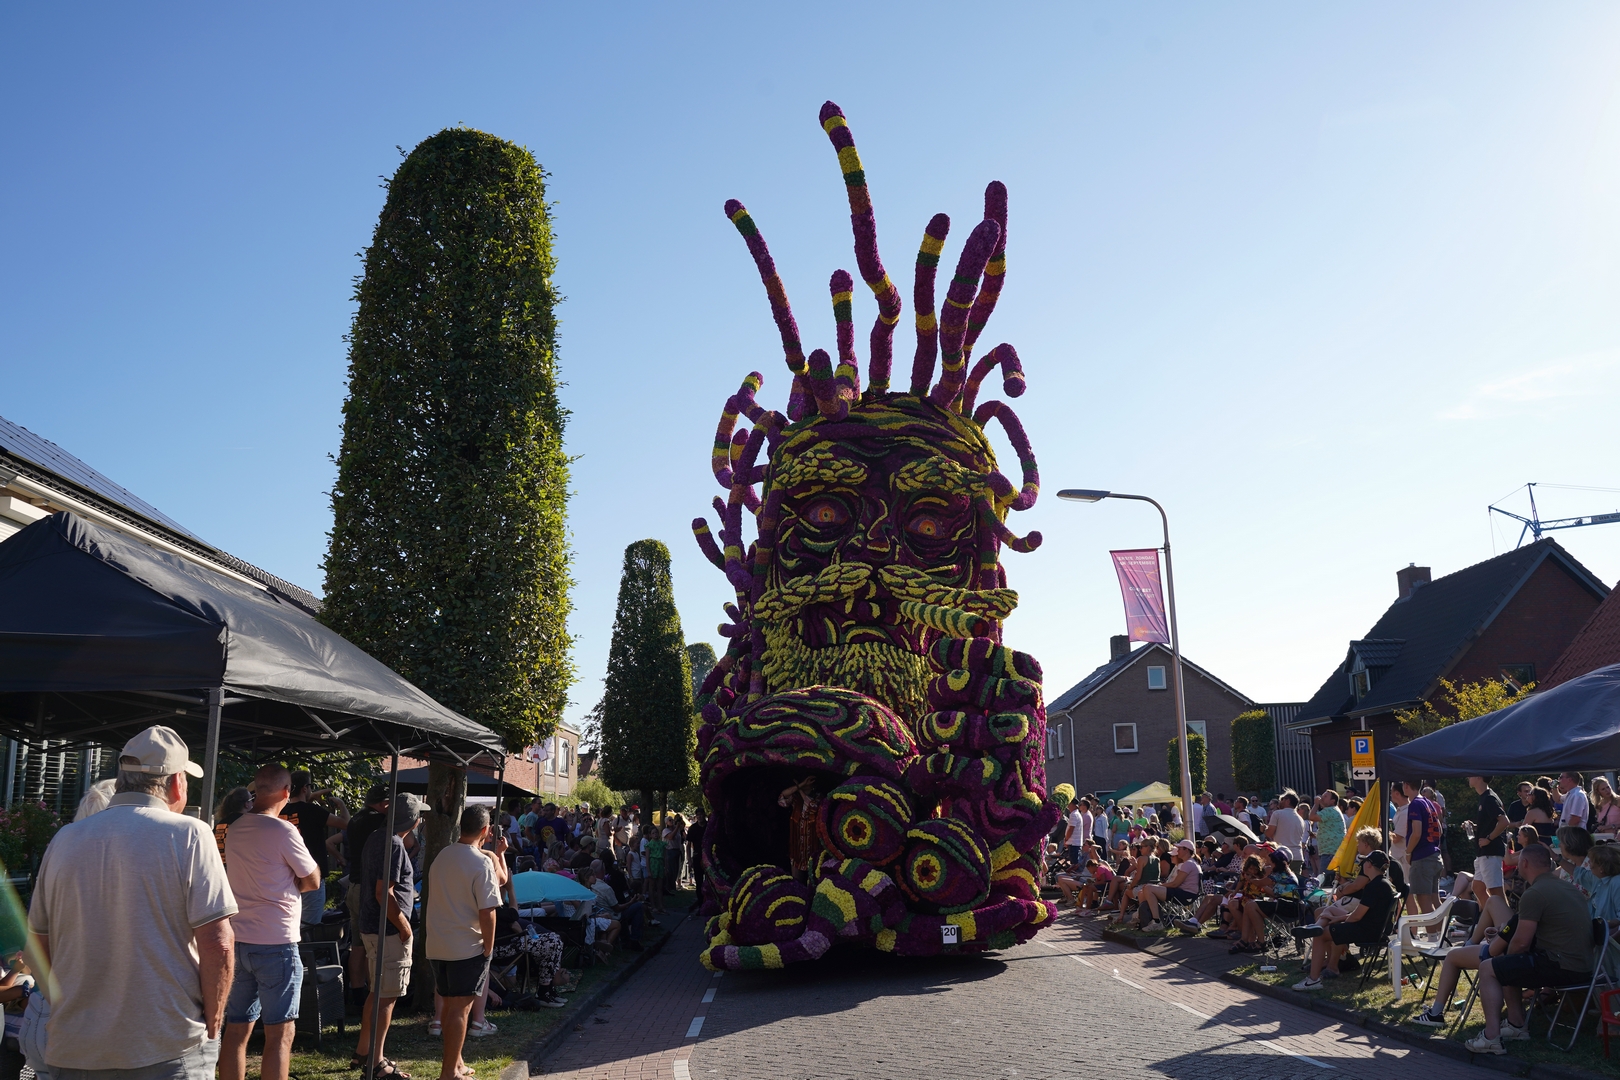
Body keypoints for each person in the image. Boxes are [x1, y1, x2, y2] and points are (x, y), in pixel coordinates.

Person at [29, 725, 236, 1078]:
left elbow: (36, 942)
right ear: (177, 783)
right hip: (165, 1044)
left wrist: (66, 1007)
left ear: (122, 779)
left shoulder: (65, 838)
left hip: (75, 1049)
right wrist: (214, 1019)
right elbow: (219, 941)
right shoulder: (189, 833)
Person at [220, 765, 321, 1080]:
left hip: (239, 939)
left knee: (237, 1029)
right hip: (276, 941)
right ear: (287, 792)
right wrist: (291, 882)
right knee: (280, 1033)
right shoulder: (283, 830)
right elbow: (313, 879)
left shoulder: (235, 827)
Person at [1467, 843, 1595, 1054]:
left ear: (1525, 863)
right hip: (1584, 967)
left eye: (1519, 863)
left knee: (1490, 967)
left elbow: (1521, 943)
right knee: (1507, 963)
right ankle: (1516, 1025)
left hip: (1562, 967)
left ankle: (1491, 1037)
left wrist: (1504, 957)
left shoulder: (1535, 893)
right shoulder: (1568, 888)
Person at [351, 792, 425, 1079]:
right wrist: (404, 927)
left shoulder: (376, 837)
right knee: (387, 998)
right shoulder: (393, 843)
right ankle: (377, 1063)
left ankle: (364, 1052)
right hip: (388, 930)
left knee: (377, 992)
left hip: (373, 927)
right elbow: (384, 892)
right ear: (413, 820)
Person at [426, 806, 501, 1080]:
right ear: (485, 830)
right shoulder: (481, 862)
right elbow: (488, 911)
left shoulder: (442, 855)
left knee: (450, 1006)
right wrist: (489, 947)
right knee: (460, 1009)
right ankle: (449, 1072)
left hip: (438, 944)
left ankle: (455, 1063)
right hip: (465, 946)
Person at [1292, 851, 1398, 990]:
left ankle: (1313, 980)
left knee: (1320, 935)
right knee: (1329, 910)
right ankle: (1316, 926)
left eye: (1364, 861)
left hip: (1368, 931)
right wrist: (1337, 917)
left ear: (1369, 865)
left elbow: (1357, 916)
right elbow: (1361, 915)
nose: (1362, 864)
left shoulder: (1374, 886)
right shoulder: (1385, 883)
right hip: (1376, 928)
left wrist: (1338, 919)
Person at [279, 770, 350, 926]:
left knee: (288, 923)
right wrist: (341, 804)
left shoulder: (281, 810)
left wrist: (310, 796)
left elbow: (299, 809)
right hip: (312, 877)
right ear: (305, 788)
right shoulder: (313, 811)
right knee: (309, 927)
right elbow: (346, 824)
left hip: (286, 876)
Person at [1395, 780, 1443, 914]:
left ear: (1406, 785)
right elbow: (1439, 830)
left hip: (1422, 858)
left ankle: (1434, 929)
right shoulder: (1428, 802)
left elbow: (1416, 833)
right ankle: (1442, 927)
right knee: (1435, 899)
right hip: (1434, 855)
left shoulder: (1414, 804)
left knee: (1424, 901)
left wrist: (1408, 852)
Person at [1265, 793, 1307, 875]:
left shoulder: (1277, 814)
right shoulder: (1300, 819)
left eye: (1282, 799)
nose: (1279, 802)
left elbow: (1269, 833)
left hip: (1282, 856)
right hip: (1298, 856)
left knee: (1279, 881)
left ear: (1288, 801)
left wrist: (1263, 829)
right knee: (1294, 881)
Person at [212, 787, 254, 866]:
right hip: (238, 868)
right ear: (246, 804)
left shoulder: (220, 824)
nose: (253, 803)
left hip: (219, 867)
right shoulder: (247, 824)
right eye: (251, 800)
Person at [1309, 791, 1346, 877]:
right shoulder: (1333, 810)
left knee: (1324, 879)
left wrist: (1316, 804)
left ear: (1332, 801)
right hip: (1333, 850)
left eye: (1325, 796)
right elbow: (1331, 829)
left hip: (1330, 851)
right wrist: (1317, 835)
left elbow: (1312, 817)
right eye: (1322, 795)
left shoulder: (1329, 810)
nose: (1322, 798)